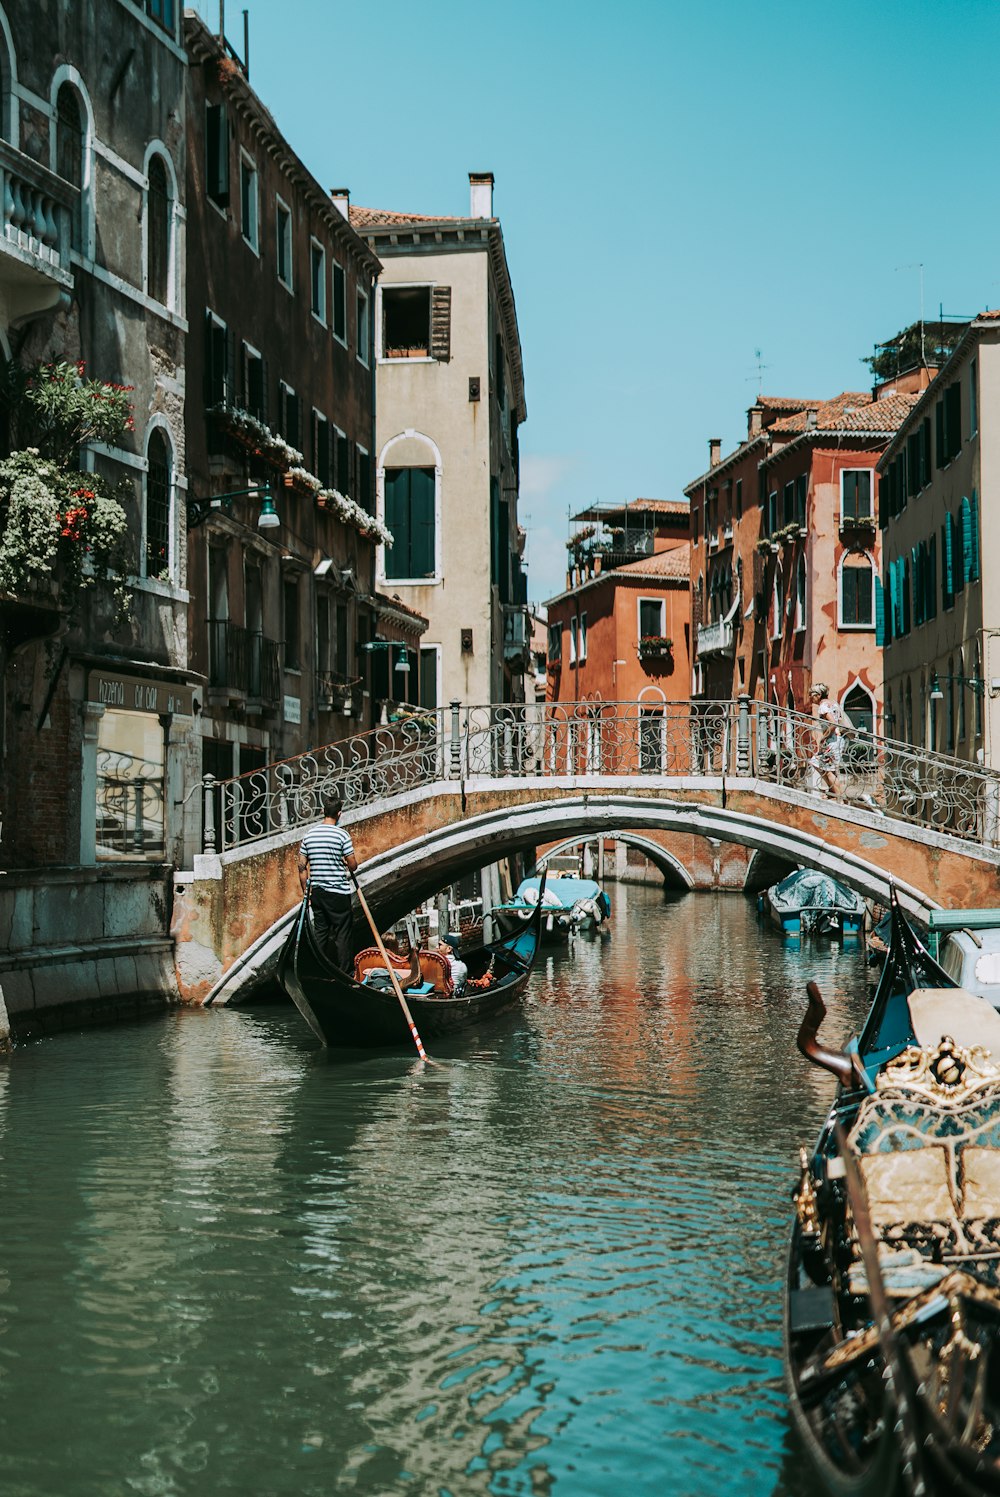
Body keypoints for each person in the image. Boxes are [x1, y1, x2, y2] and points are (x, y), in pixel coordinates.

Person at [298, 792, 358, 970]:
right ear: (339, 814)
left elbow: (301, 867)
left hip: (317, 892)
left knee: (320, 933)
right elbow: (353, 865)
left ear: (323, 812)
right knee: (343, 934)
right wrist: (344, 861)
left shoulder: (309, 835)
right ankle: (345, 972)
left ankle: (317, 969)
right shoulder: (342, 835)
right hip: (338, 893)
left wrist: (306, 892)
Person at [808, 683, 844, 798]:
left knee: (822, 767)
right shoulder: (833, 703)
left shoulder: (823, 706)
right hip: (838, 740)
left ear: (818, 695)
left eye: (811, 695)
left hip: (832, 741)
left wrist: (824, 737)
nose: (810, 697)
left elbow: (833, 723)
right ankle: (833, 794)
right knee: (828, 769)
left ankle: (839, 799)